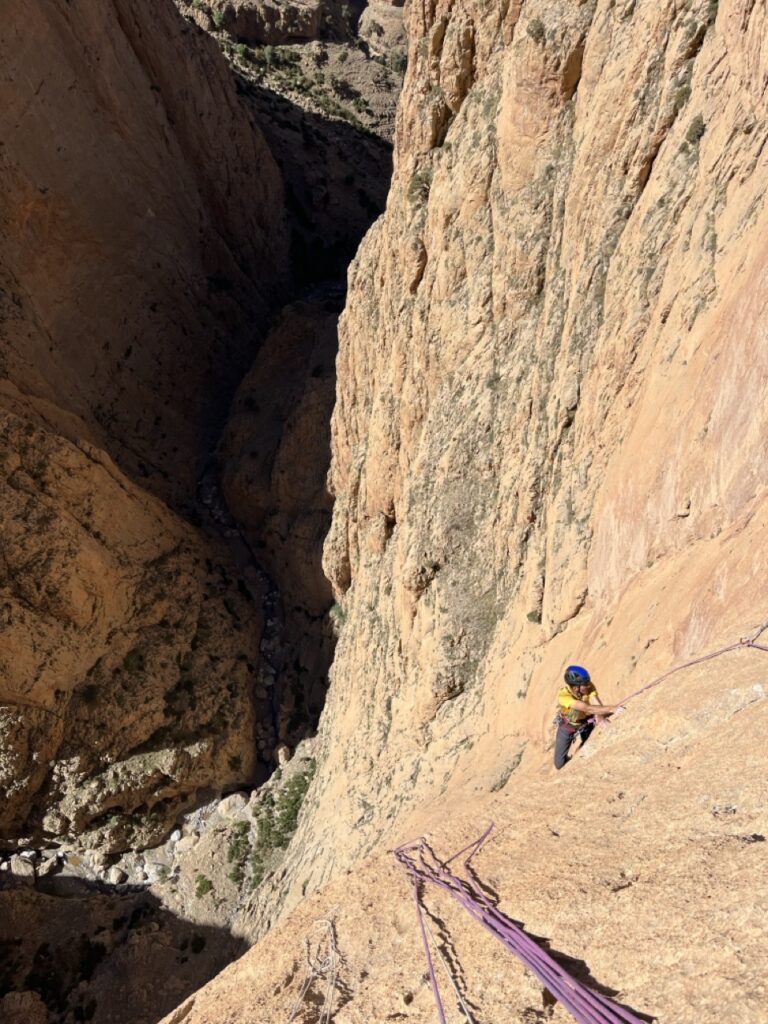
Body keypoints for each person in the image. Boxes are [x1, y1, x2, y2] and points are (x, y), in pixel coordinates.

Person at [554, 665, 624, 769]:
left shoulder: (588, 687)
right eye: (585, 684)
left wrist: (602, 720)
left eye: (588, 682)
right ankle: (571, 762)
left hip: (586, 723)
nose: (588, 685)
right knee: (559, 764)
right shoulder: (564, 696)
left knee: (586, 744)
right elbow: (587, 708)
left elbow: (596, 702)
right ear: (575, 687)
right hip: (567, 727)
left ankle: (578, 754)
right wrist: (612, 709)